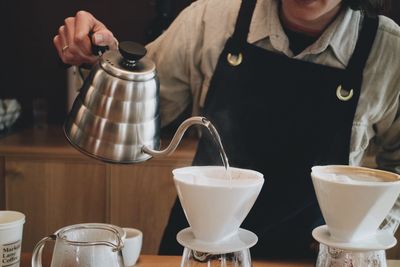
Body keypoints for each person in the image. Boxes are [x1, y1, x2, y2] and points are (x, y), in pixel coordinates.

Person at [54, 0, 400, 259]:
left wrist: (364, 237)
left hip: (317, 257)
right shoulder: (209, 19)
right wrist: (103, 62)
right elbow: (131, 130)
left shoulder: (389, 51)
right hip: (204, 254)